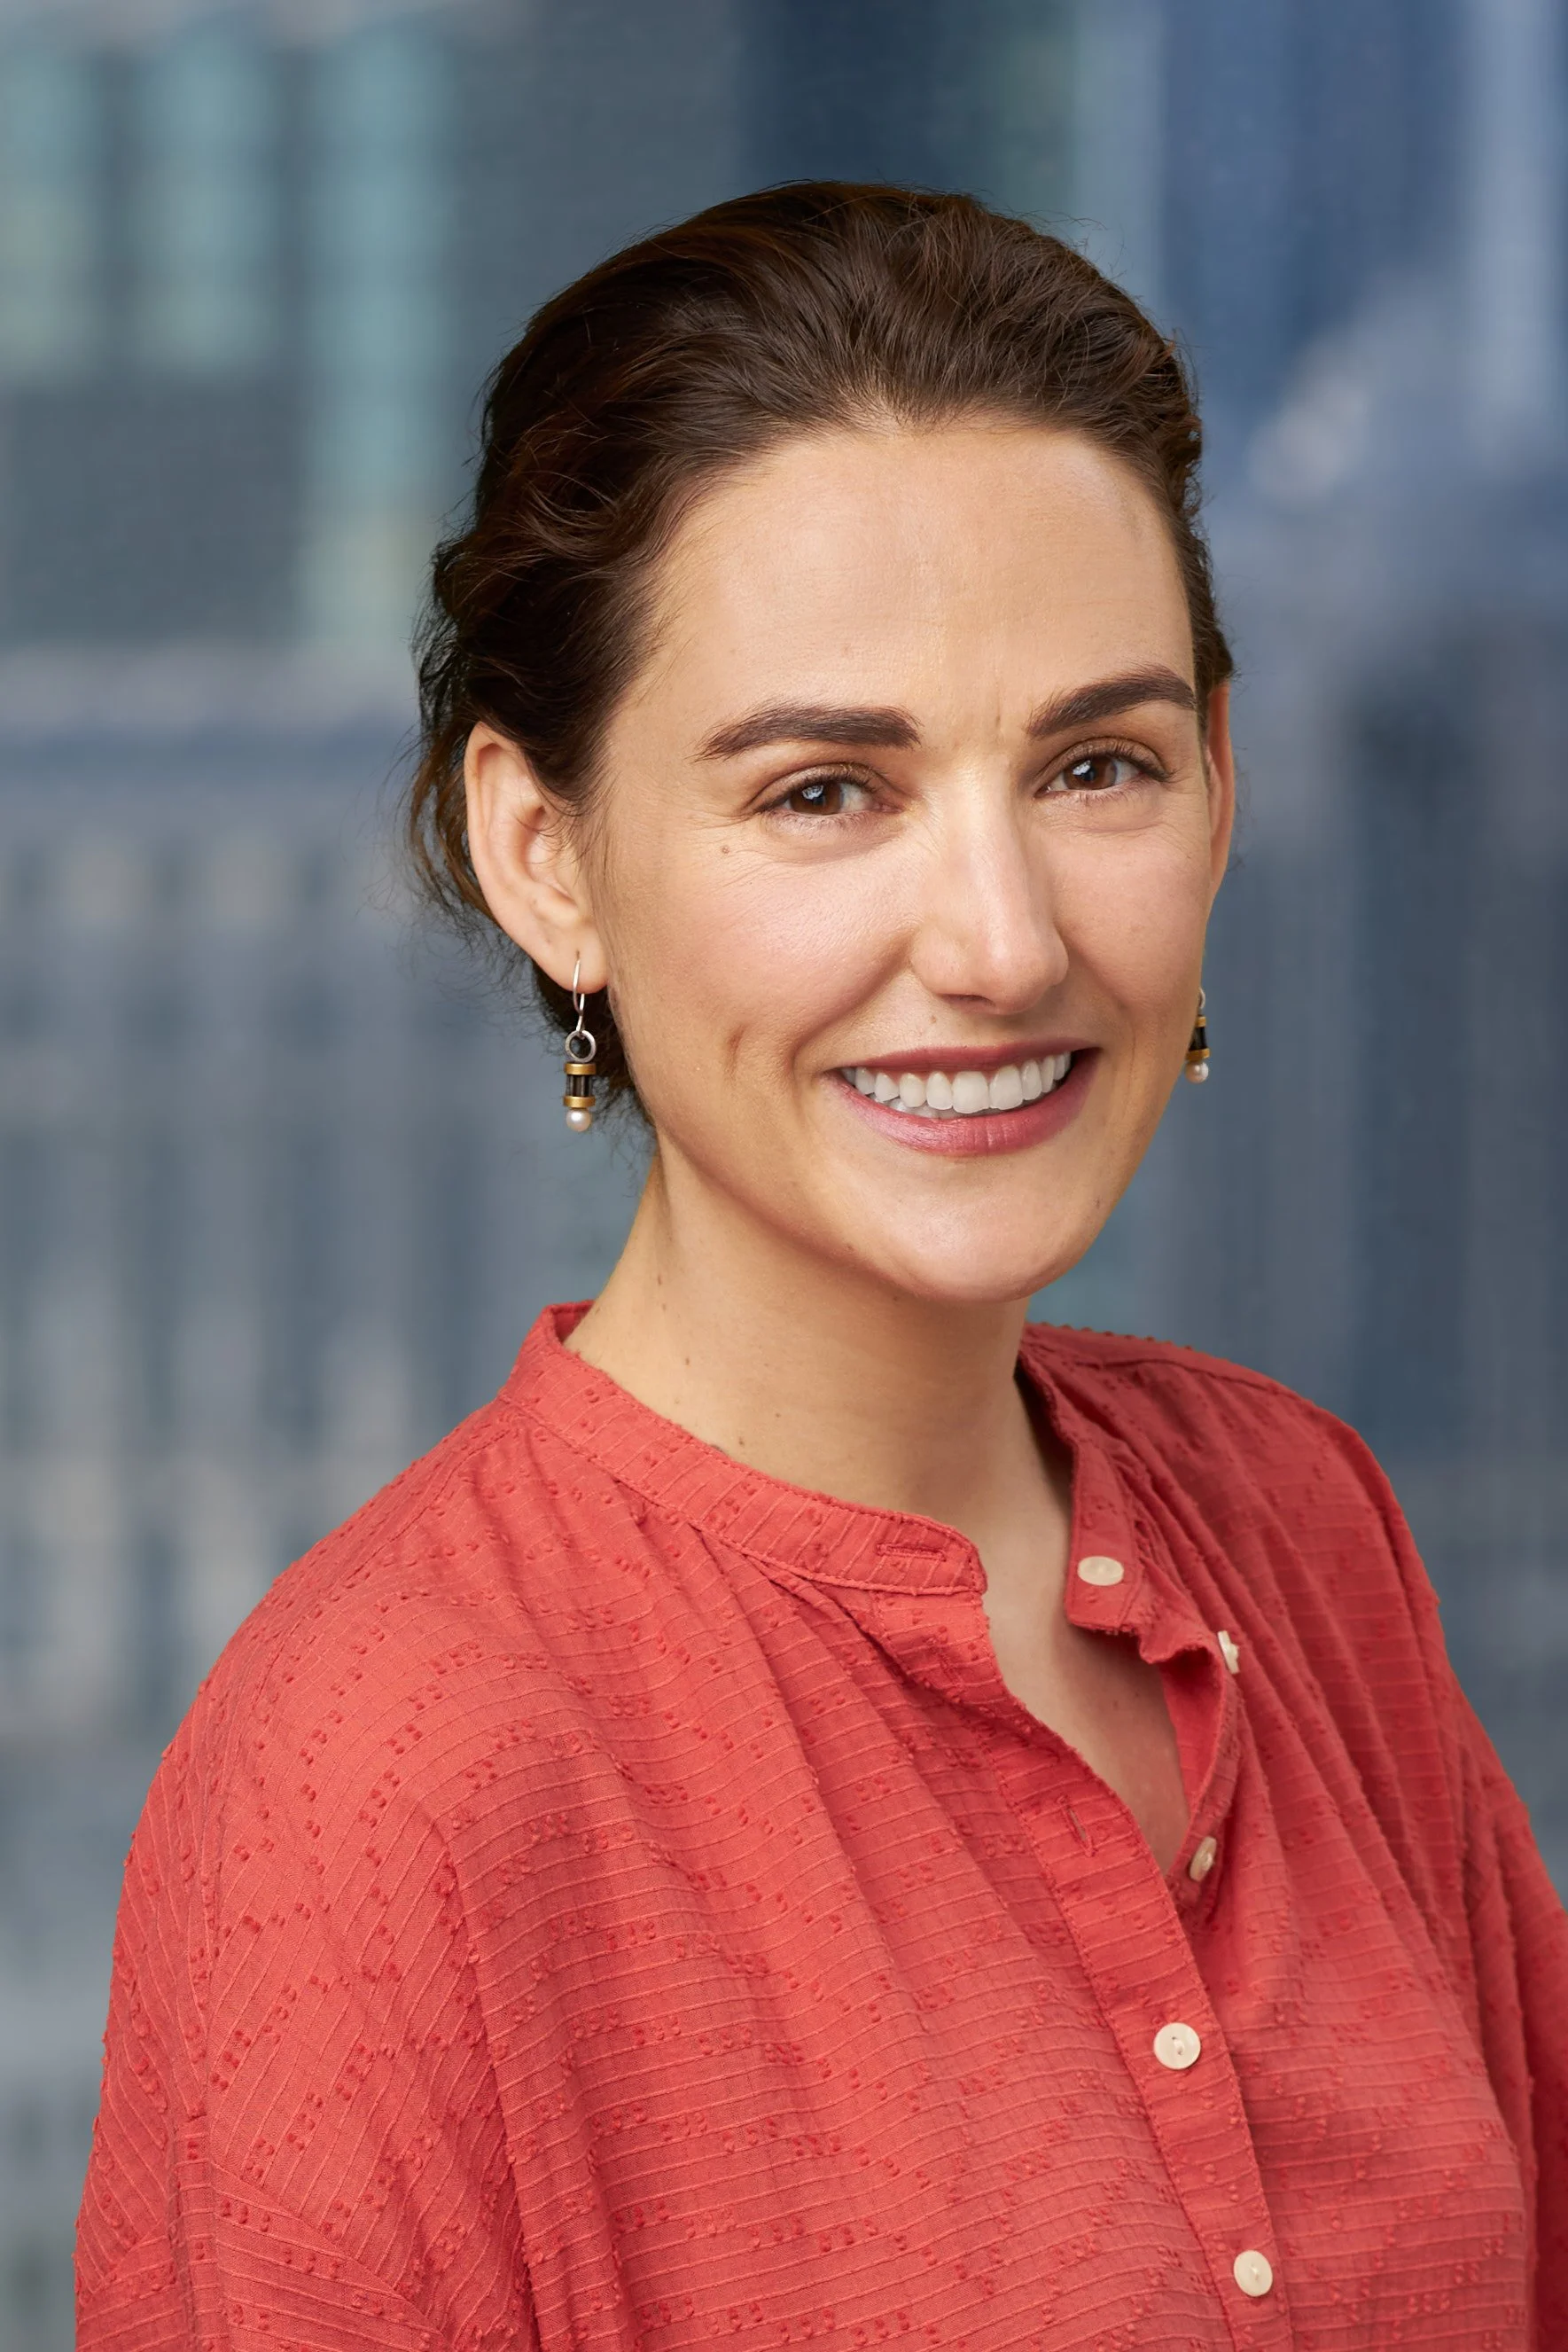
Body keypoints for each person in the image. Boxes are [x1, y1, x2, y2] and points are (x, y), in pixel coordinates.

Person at [78, 184, 1565, 2351]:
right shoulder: (379, 1780)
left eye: (1092, 766)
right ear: (544, 853)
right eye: (821, 795)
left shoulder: (1297, 1530)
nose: (1000, 939)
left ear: (1220, 792)